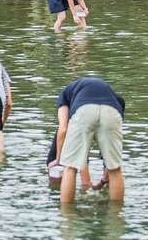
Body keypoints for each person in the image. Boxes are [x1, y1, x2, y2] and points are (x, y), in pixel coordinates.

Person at [51, 76, 125, 204]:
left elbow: (63, 129)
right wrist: (103, 179)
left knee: (70, 168)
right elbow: (110, 159)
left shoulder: (65, 94)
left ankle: (67, 216)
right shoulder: (115, 98)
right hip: (111, 112)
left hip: (83, 111)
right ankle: (116, 217)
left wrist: (58, 159)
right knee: (115, 169)